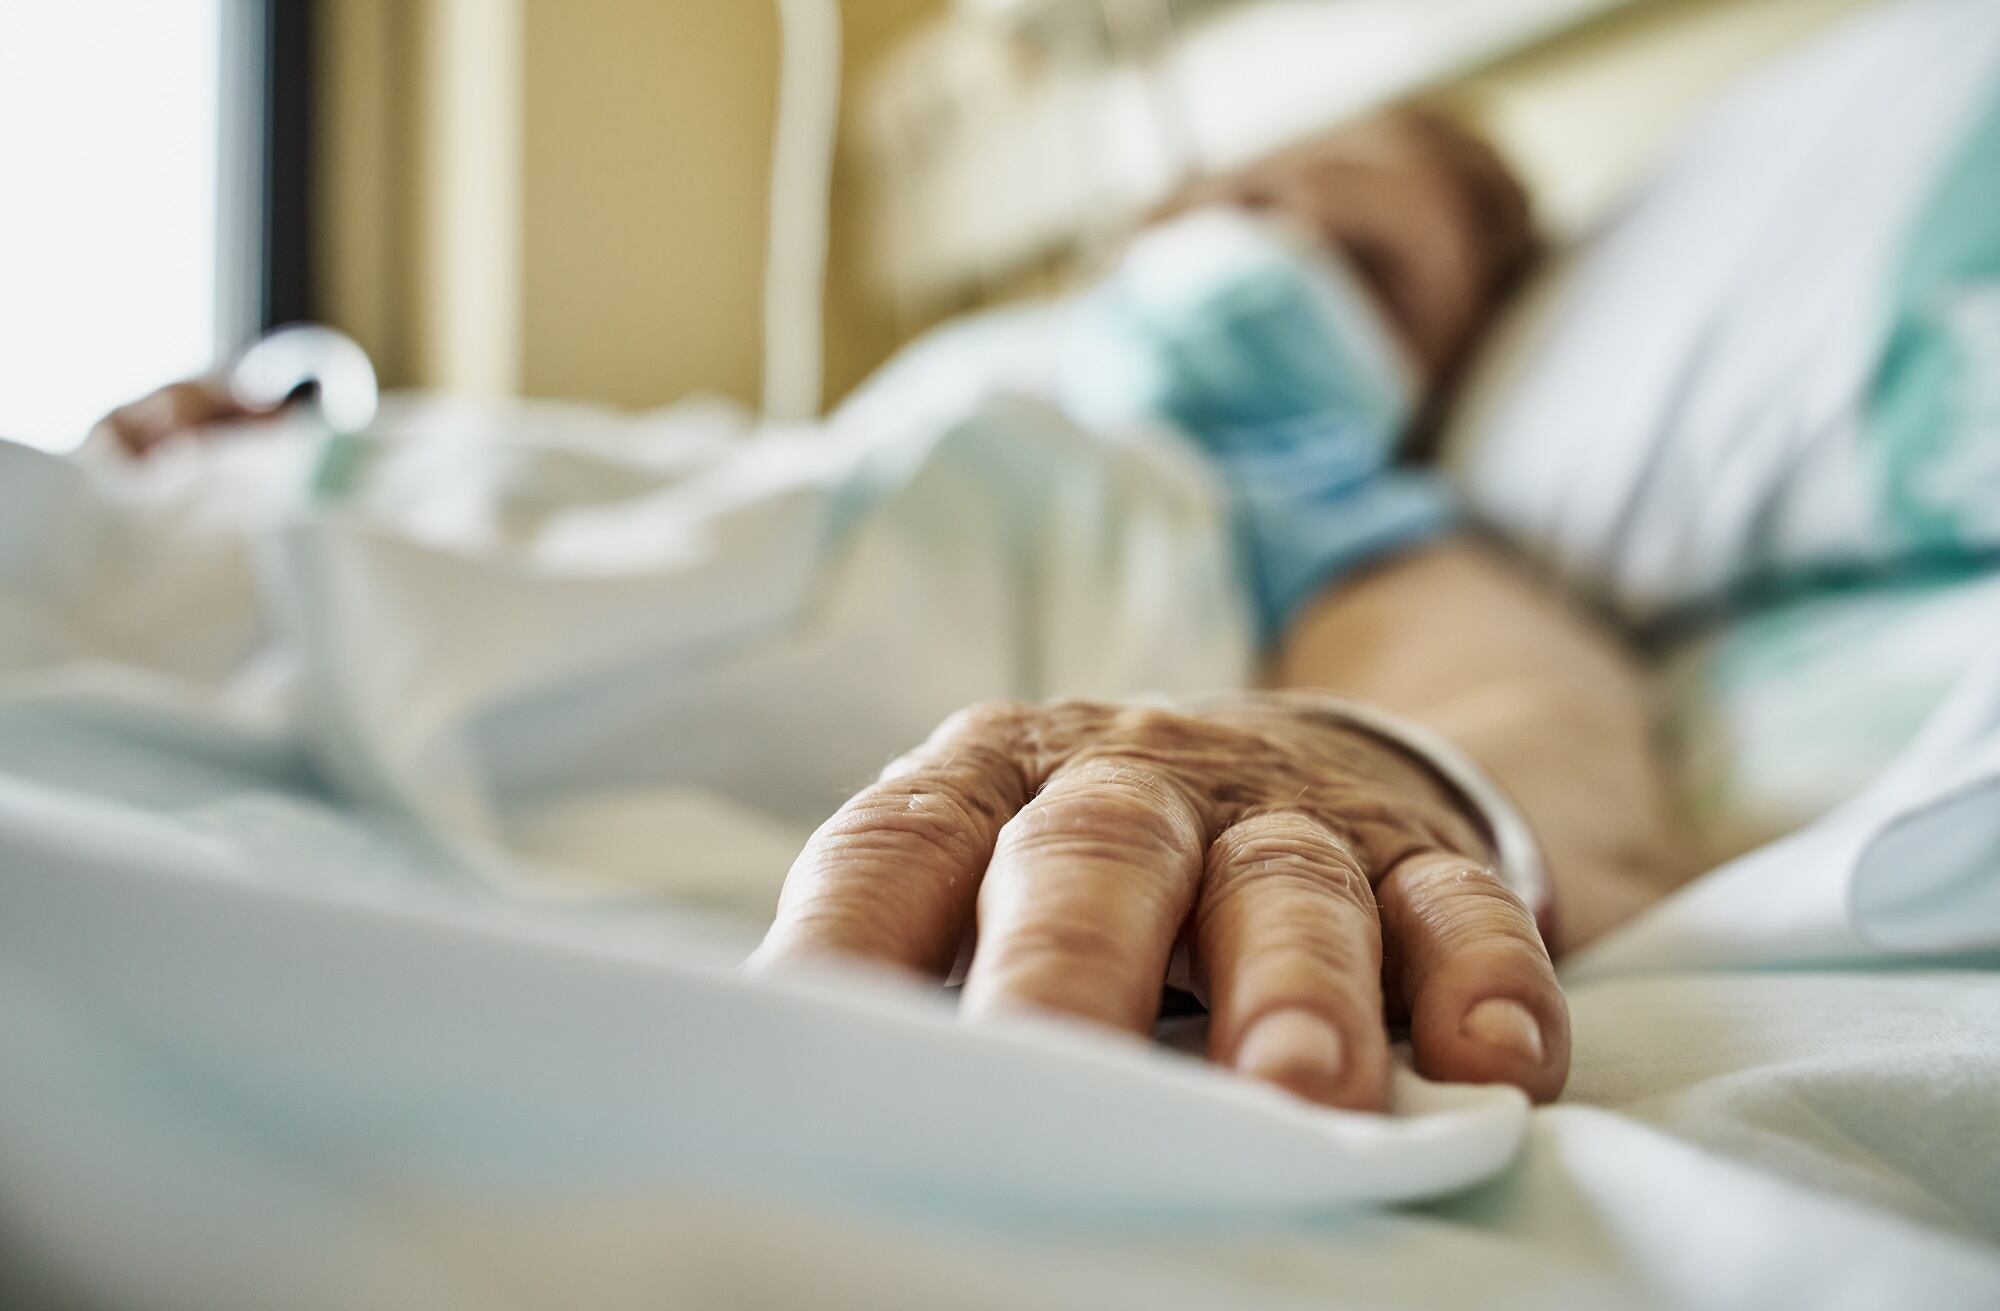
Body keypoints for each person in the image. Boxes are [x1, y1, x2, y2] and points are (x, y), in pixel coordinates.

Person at [89, 108, 1689, 1114]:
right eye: (1245, 196)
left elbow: (1532, 722)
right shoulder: (912, 413)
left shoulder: (1298, 503)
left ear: (1429, 386)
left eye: (1362, 265)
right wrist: (321, 450)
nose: (1262, 247)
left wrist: (1343, 771)